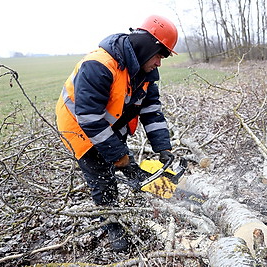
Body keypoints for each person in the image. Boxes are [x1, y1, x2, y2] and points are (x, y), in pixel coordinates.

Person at [55, 15, 178, 252]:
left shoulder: (145, 71)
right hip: (79, 128)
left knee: (122, 163)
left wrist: (163, 147)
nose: (160, 63)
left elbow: (151, 110)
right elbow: (89, 117)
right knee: (103, 179)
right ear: (147, 46)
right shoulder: (99, 65)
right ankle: (113, 229)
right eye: (160, 55)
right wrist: (119, 157)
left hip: (109, 122)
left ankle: (136, 194)